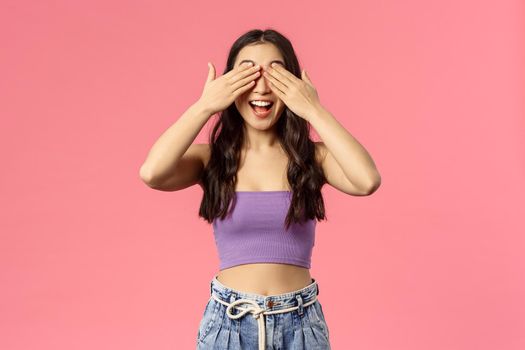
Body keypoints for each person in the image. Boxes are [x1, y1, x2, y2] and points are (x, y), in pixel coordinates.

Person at [139, 28, 381, 350]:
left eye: (277, 74)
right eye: (248, 73)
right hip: (229, 325)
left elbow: (367, 181)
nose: (263, 87)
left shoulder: (313, 158)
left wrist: (313, 109)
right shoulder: (211, 159)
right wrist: (204, 106)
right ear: (228, 84)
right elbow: (152, 172)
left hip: (301, 325)